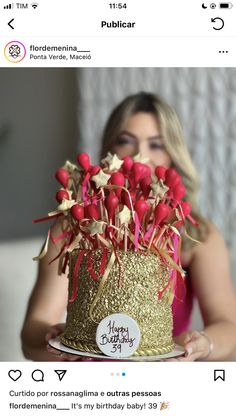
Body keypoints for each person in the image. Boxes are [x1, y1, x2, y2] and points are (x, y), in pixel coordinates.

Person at [21, 92, 236, 362]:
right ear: (109, 150)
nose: (140, 155)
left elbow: (229, 327)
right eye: (126, 141)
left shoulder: (197, 235)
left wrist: (204, 343)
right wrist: (54, 341)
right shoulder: (75, 230)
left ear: (173, 155)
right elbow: (32, 333)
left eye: (156, 144)